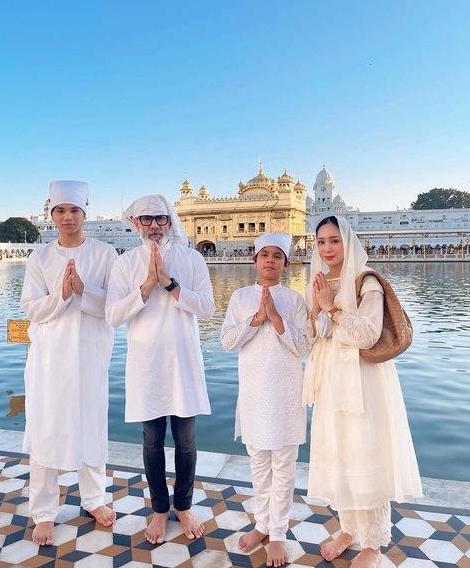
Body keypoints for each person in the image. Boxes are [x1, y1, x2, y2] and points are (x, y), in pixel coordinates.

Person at [303, 215, 422, 567]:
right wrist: (315, 310)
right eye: (321, 241)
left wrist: (330, 308)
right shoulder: (320, 282)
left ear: (349, 242)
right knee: (340, 454)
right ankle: (349, 529)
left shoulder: (366, 281)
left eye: (335, 240)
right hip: (332, 381)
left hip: (362, 382)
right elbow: (313, 338)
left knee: (365, 454)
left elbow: (367, 335)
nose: (327, 248)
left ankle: (373, 543)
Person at [105, 194, 214, 545]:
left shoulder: (192, 259)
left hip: (182, 362)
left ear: (170, 222)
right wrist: (147, 286)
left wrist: (169, 283)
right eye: (146, 220)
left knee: (186, 442)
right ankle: (159, 509)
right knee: (152, 442)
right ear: (135, 224)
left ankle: (183, 506)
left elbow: (208, 309)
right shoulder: (124, 265)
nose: (154, 226)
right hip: (146, 364)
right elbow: (112, 316)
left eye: (160, 219)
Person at [21, 180, 117, 546]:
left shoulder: (105, 253)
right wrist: (61, 295)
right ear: (52, 215)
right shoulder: (40, 257)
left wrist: (83, 291)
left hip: (91, 353)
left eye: (74, 211)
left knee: (91, 423)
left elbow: (114, 306)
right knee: (46, 426)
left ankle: (94, 498)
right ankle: (43, 510)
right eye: (60, 211)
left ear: (85, 214)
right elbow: (31, 307)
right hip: (49, 356)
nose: (67, 217)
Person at [221, 233, 308, 568]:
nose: (270, 261)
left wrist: (276, 318)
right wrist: (257, 319)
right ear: (254, 260)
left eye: (277, 256)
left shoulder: (295, 299)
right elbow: (228, 341)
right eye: (264, 255)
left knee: (284, 466)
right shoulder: (241, 297)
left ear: (286, 263)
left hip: (286, 392)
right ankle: (262, 524)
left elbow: (303, 347)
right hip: (255, 392)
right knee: (258, 463)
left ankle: (279, 533)